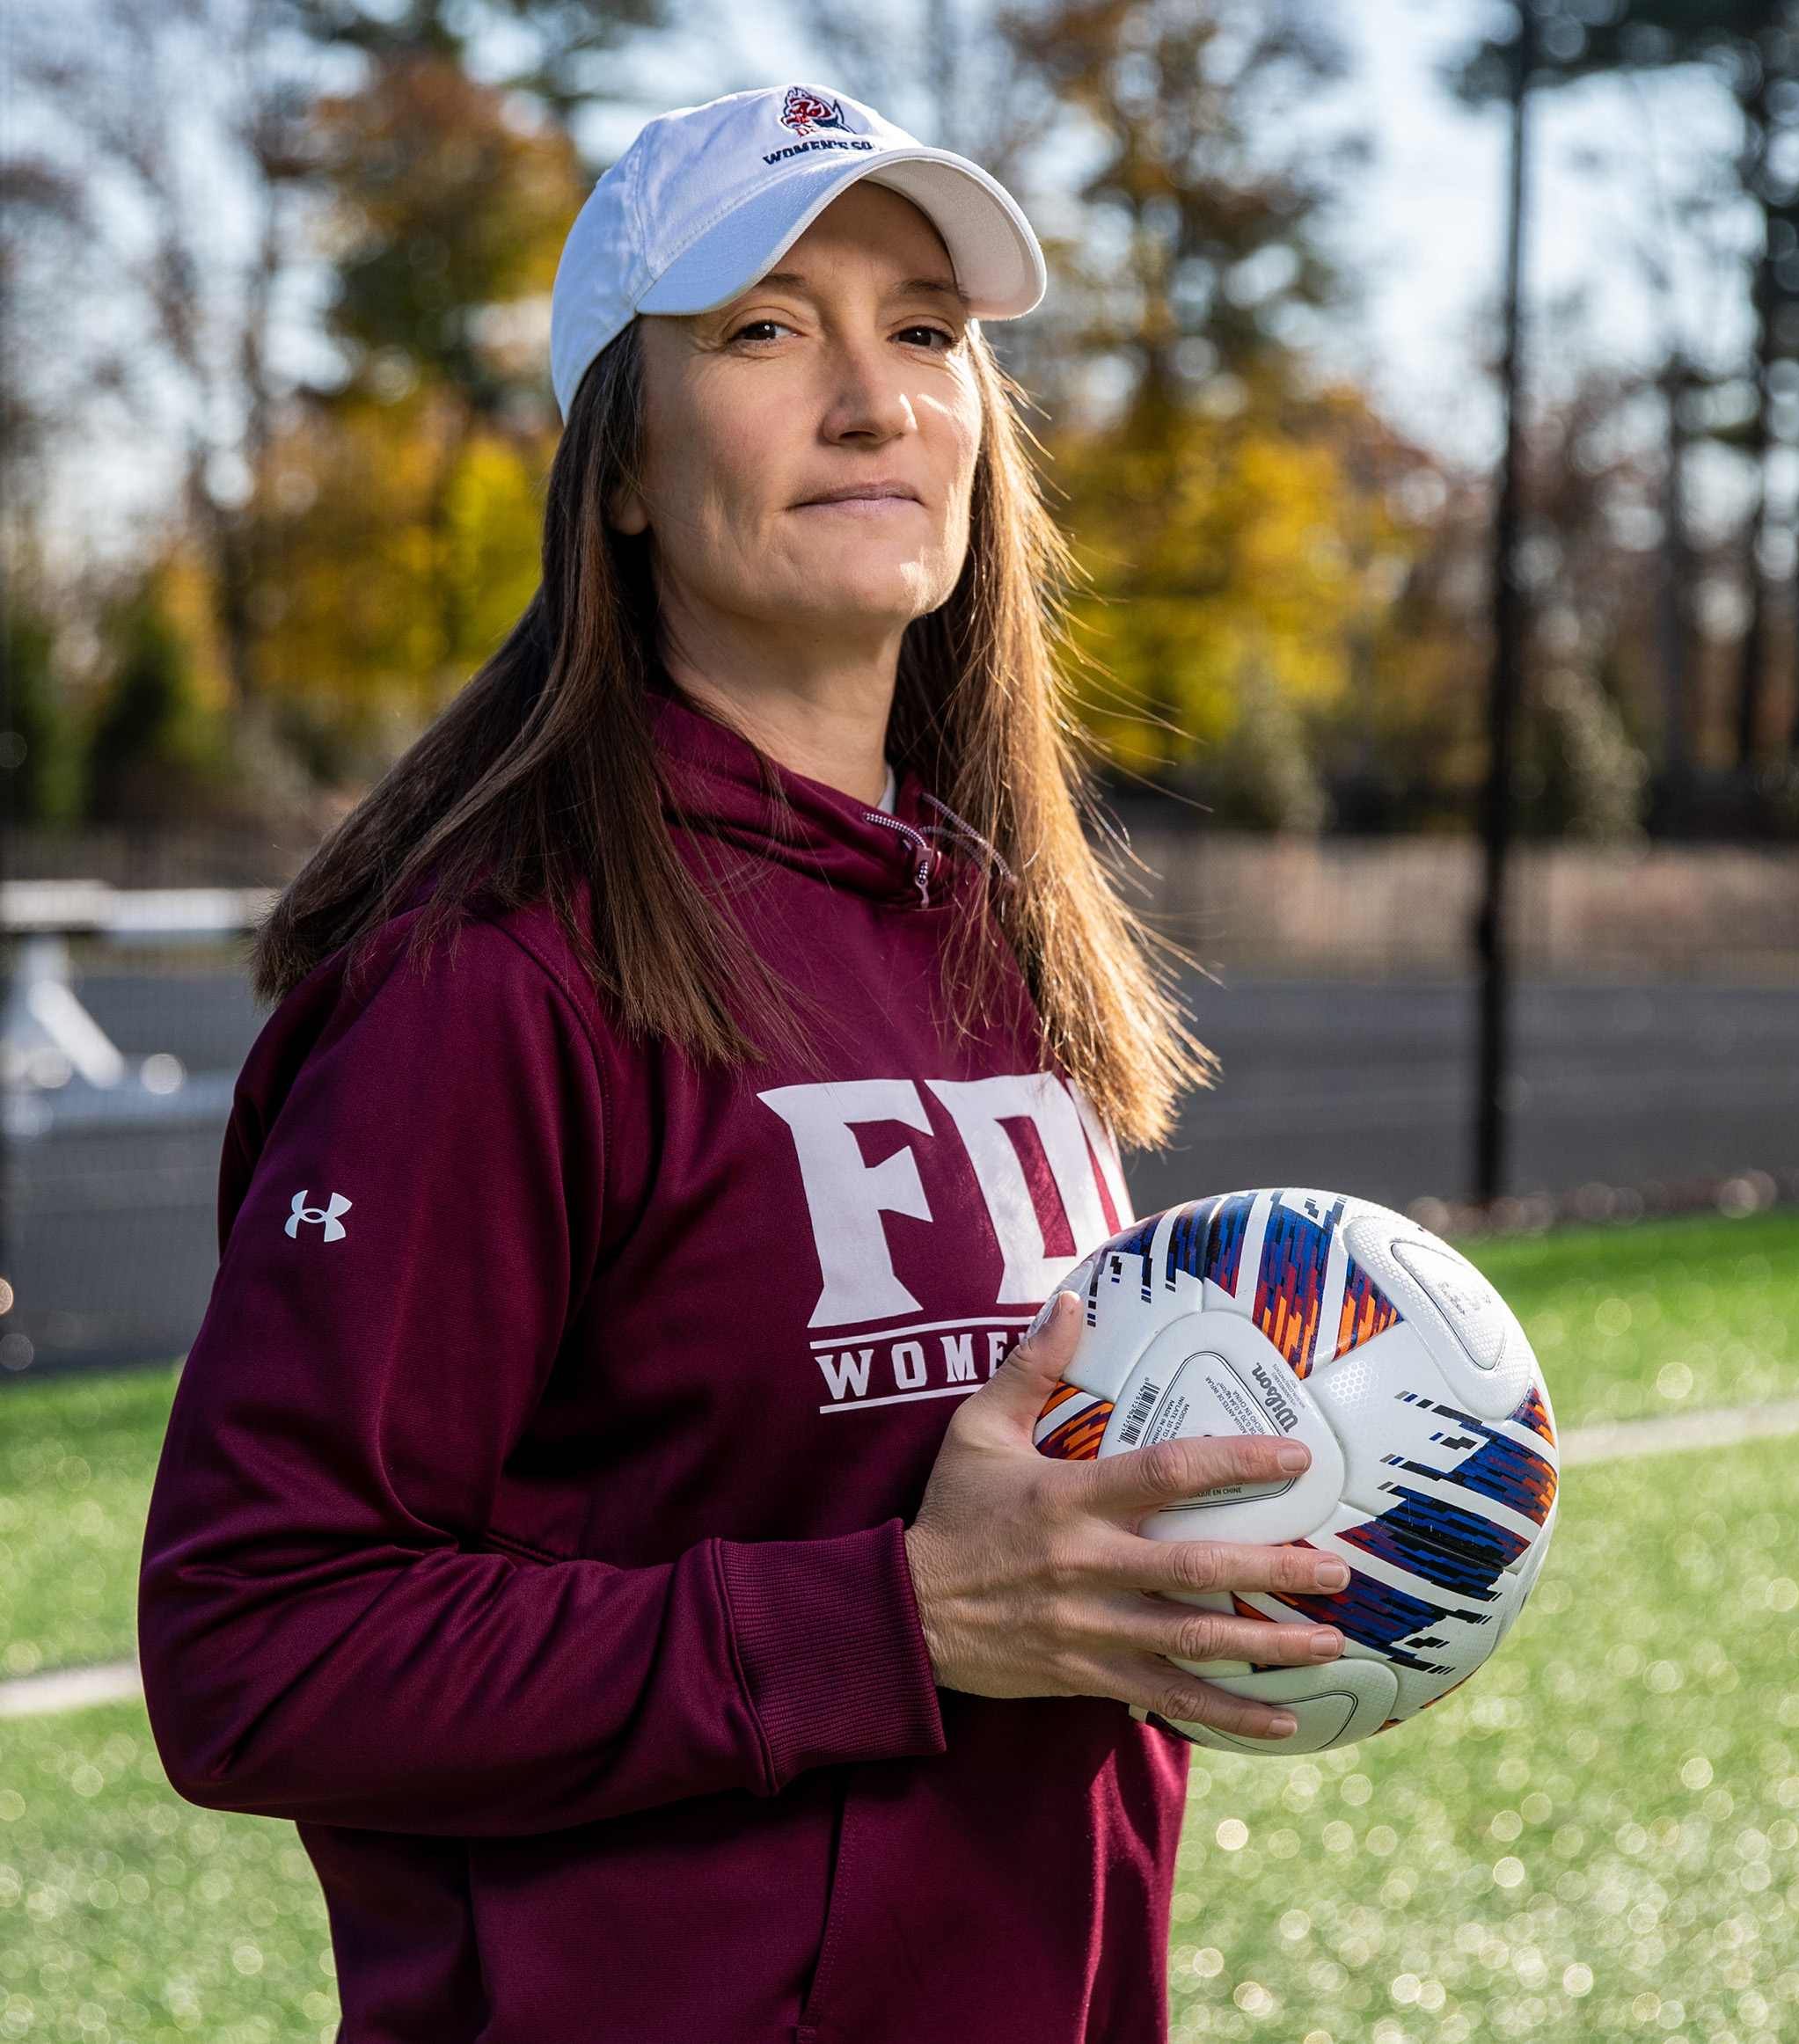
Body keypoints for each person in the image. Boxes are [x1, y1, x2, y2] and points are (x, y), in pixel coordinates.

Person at [138, 84, 1350, 2043]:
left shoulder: (988, 928)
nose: (877, 400)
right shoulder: (494, 975)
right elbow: (253, 1646)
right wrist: (896, 1620)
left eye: (929, 332)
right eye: (769, 330)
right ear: (617, 465)